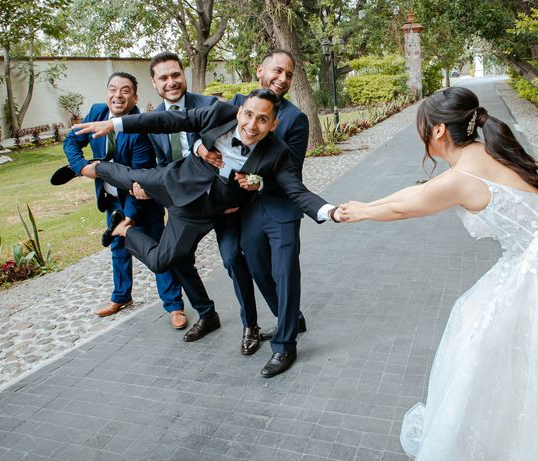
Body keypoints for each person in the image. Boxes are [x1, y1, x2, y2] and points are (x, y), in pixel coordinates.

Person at [339, 86, 538, 461]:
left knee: (496, 347)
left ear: (439, 131)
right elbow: (419, 192)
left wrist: (361, 214)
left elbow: (407, 208)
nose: (421, 134)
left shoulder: (461, 176)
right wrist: (364, 204)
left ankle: (517, 450)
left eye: (422, 127)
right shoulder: (484, 151)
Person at [74, 89, 343, 378]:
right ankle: (95, 168)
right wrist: (115, 124)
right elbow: (168, 120)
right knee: (129, 177)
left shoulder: (277, 153)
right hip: (179, 181)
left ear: (274, 125)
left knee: (177, 260)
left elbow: (296, 191)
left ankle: (123, 229)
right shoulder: (219, 113)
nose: (252, 125)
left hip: (211, 212)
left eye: (263, 120)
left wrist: (331, 211)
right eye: (249, 115)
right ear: (240, 111)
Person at [198, 49, 309, 361]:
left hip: (275, 205)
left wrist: (255, 182)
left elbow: (291, 174)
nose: (282, 78)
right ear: (260, 70)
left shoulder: (294, 119)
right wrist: (200, 148)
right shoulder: (237, 104)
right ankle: (290, 319)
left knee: (284, 271)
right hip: (241, 208)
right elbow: (206, 132)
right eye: (277, 71)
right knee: (256, 268)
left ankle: (285, 344)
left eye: (288, 74)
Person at [62, 72, 185, 321]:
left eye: (125, 90)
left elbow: (136, 178)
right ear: (106, 92)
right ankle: (121, 296)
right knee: (118, 248)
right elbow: (70, 141)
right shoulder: (97, 112)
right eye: (113, 89)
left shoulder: (140, 126)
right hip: (111, 200)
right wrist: (82, 167)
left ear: (135, 97)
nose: (118, 95)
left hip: (141, 200)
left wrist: (129, 216)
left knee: (157, 252)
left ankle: (174, 306)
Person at [131, 51, 218, 329]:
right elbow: (162, 163)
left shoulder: (209, 105)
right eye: (164, 78)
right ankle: (207, 315)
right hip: (182, 203)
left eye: (176, 75)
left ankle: (262, 320)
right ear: (155, 84)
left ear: (184, 75)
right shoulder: (153, 121)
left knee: (237, 258)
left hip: (218, 198)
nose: (171, 82)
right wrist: (148, 187)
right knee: (179, 259)